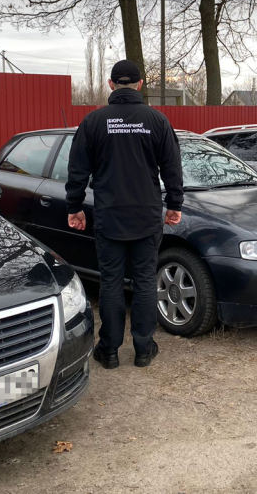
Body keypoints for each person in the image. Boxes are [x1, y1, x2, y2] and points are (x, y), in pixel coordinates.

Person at [66, 60, 184, 369]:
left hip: (110, 216)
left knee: (111, 282)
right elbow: (172, 168)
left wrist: (74, 206)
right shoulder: (157, 120)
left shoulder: (93, 122)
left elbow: (77, 169)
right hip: (146, 216)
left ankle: (110, 351)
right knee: (145, 282)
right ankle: (144, 349)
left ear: (110, 84)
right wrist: (175, 204)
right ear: (141, 84)